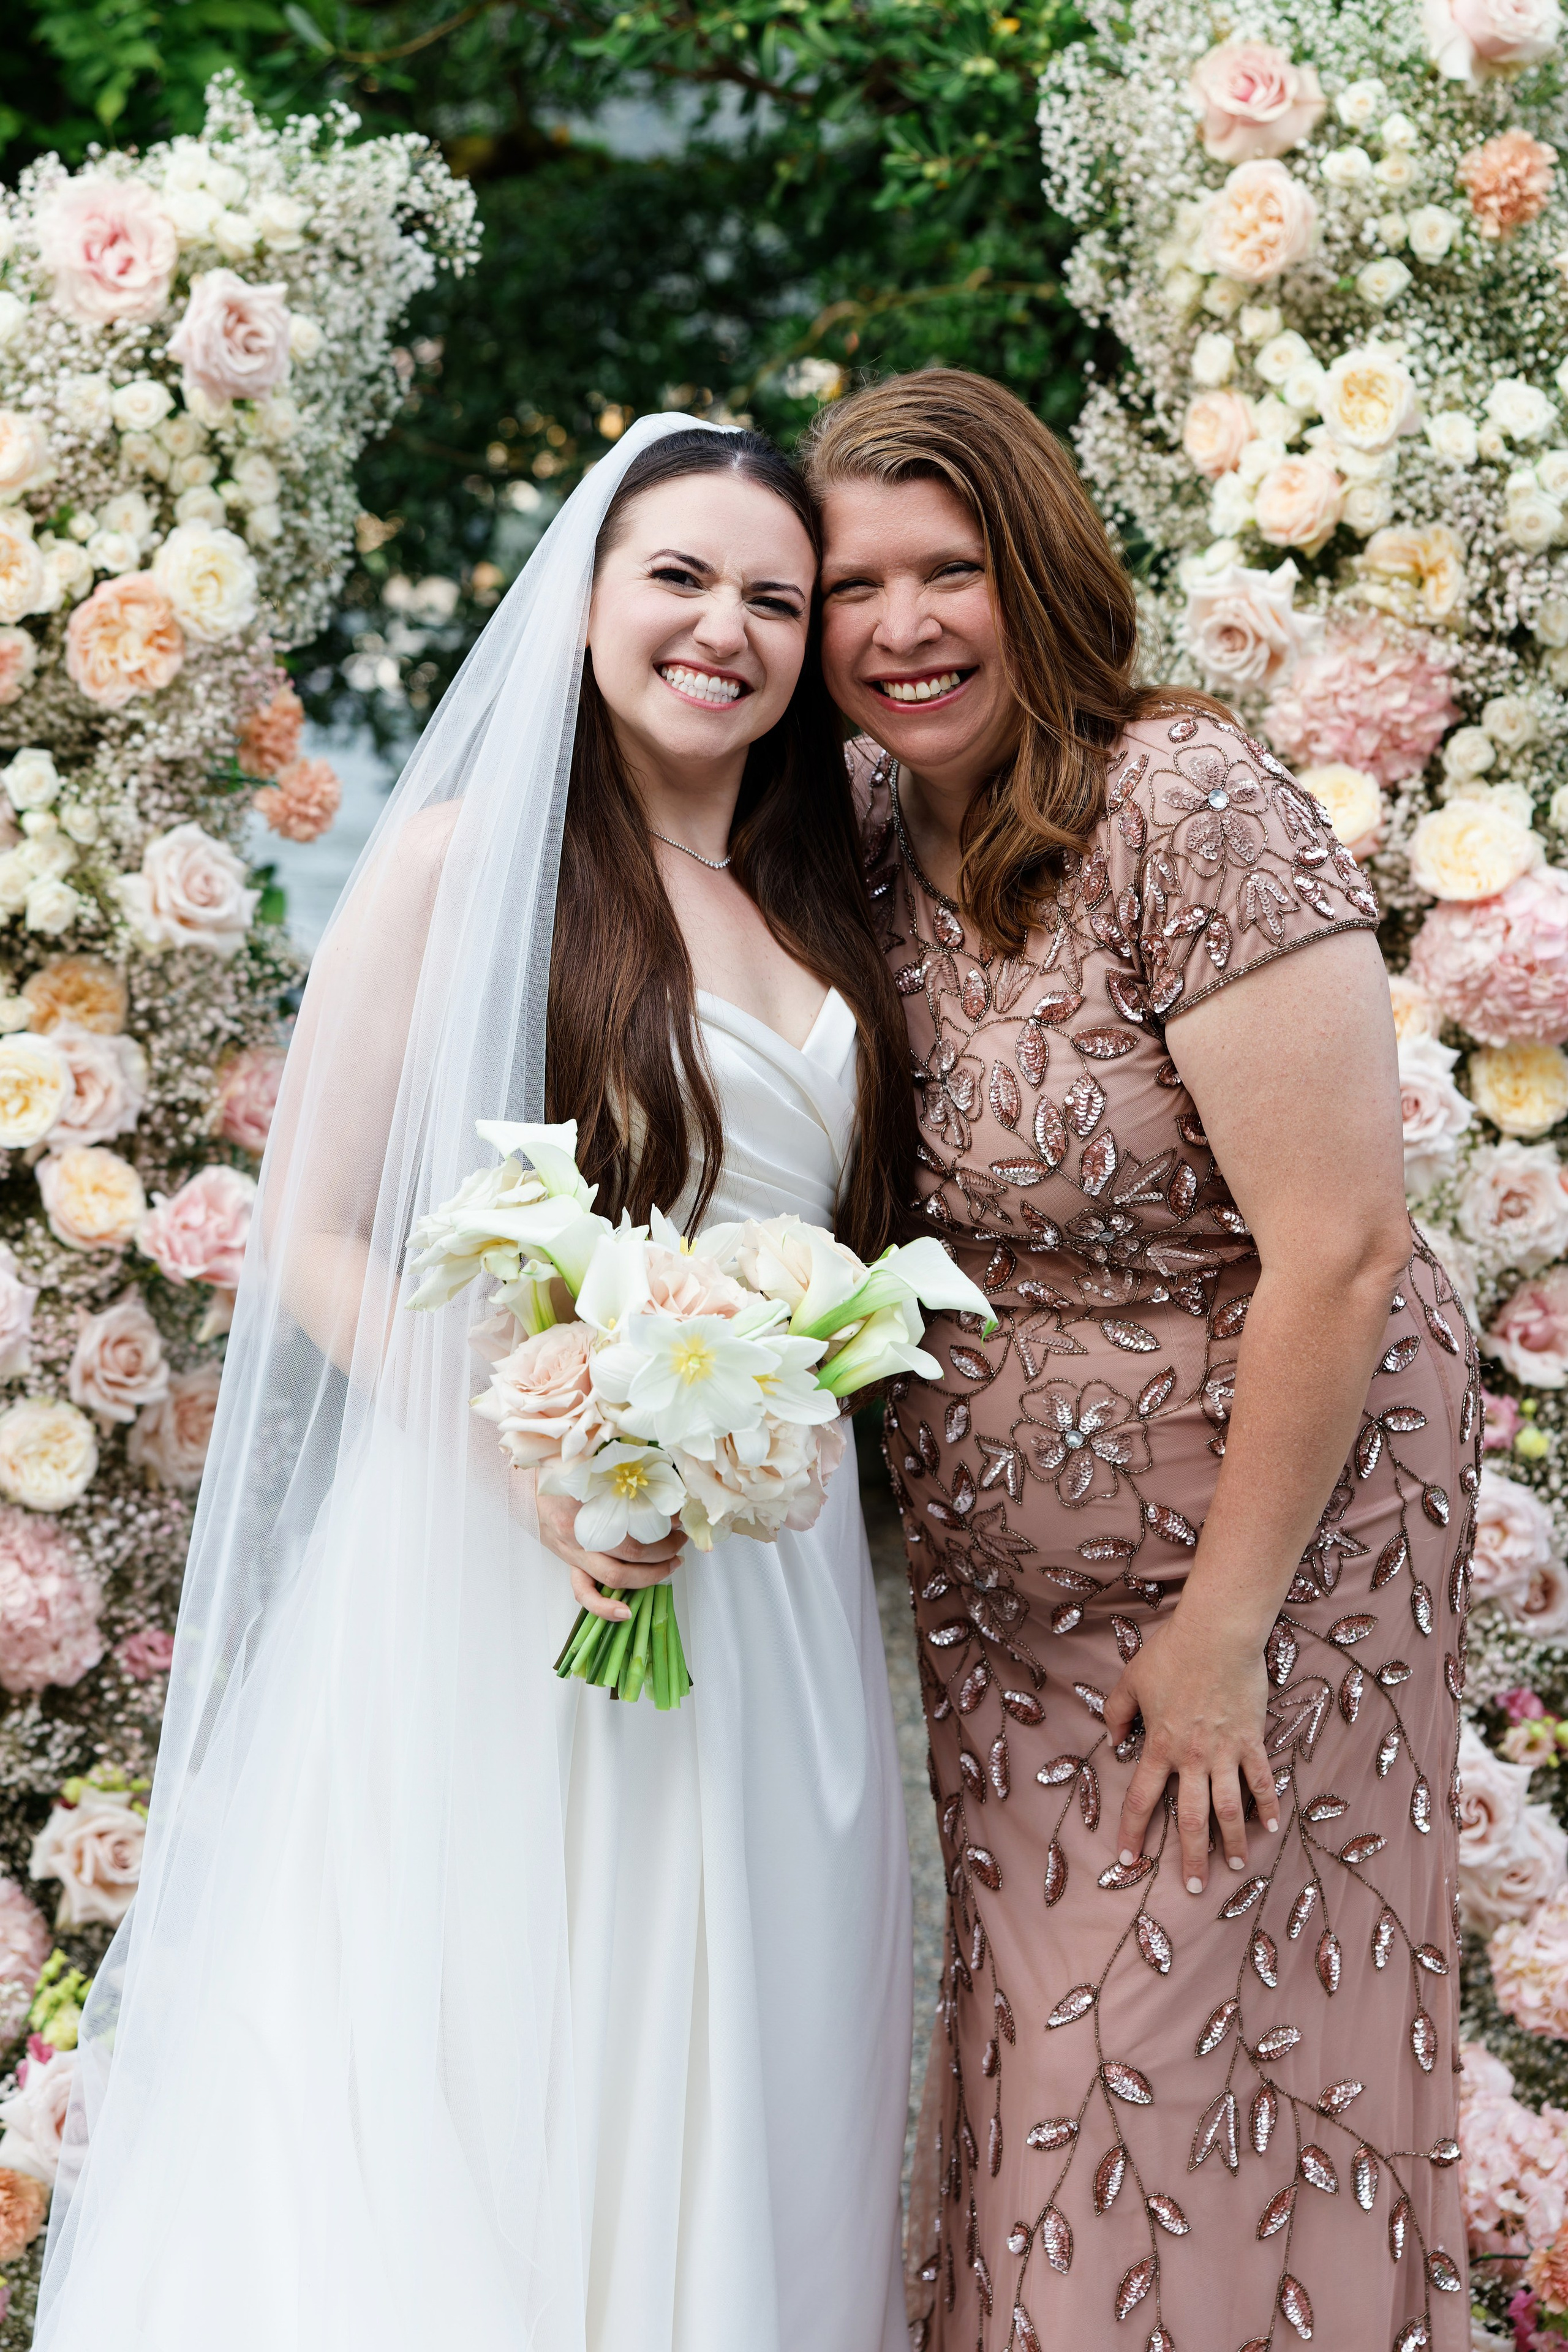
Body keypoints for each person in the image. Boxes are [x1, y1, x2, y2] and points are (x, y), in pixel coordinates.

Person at [34, 418, 914, 2352]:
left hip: (766, 1575)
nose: (728, 629)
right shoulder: (459, 867)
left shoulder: (828, 892)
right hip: (514, 1557)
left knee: (749, 2055)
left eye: (775, 599)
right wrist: (541, 1445)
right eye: (681, 577)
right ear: (589, 594)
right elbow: (321, 1231)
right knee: (513, 2046)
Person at [805, 368, 1475, 2352]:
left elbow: (1342, 1250)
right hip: (1006, 1613)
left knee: (1207, 2063)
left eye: (951, 572)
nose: (903, 627)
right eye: (851, 588)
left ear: (1040, 569)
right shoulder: (843, 824)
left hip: (1270, 1566)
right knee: (1038, 2060)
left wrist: (1225, 1628)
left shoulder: (1185, 803)